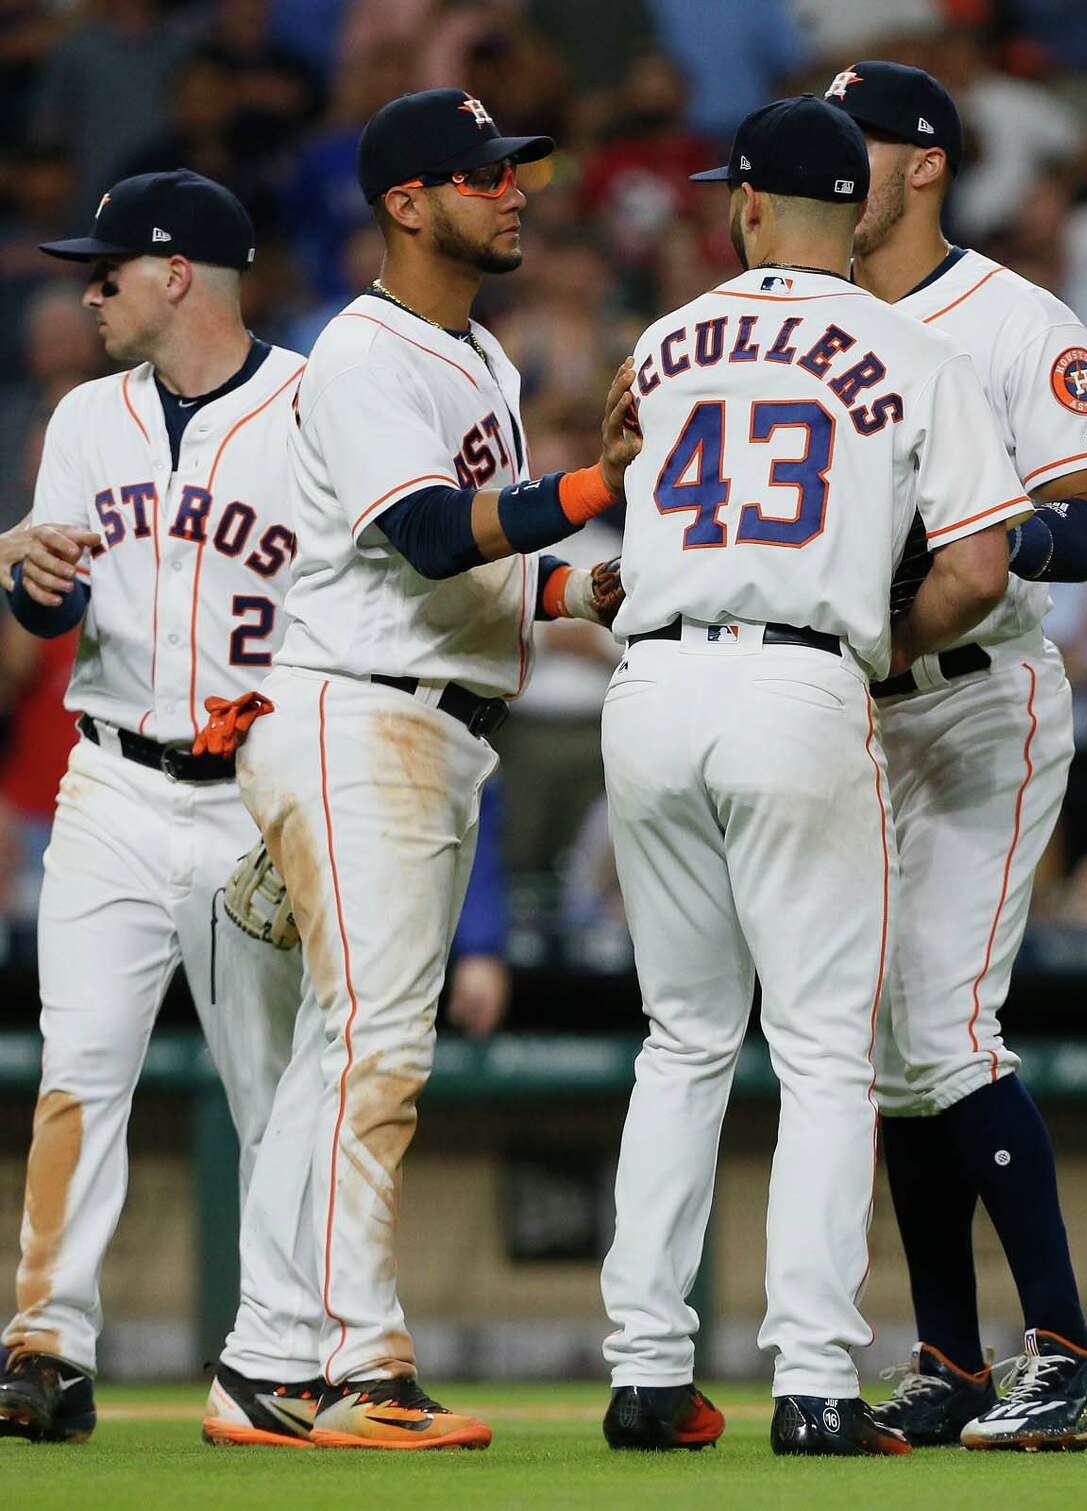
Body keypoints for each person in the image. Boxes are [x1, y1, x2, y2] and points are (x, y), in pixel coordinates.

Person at [200, 88, 635, 1452]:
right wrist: (591, 481)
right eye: (485, 173)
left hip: (430, 720)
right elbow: (436, 537)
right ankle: (354, 1366)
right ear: (406, 202)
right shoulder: (362, 354)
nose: (516, 190)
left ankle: (267, 1362)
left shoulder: (482, 359)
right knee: (376, 1049)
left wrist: (586, 585)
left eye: (518, 169)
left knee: (348, 1052)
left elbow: (490, 577)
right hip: (354, 715)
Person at [598, 95, 1024, 1457]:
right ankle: (816, 1379)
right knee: (828, 1051)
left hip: (651, 683)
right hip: (800, 680)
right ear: (860, 208)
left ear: (743, 204)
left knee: (682, 1037)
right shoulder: (910, 347)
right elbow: (977, 567)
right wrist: (877, 642)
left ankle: (649, 1369)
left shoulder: (664, 344)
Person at [828, 61, 1087, 1451]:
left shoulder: (1014, 318)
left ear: (927, 163)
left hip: (979, 698)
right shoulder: (805, 321)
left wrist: (978, 533)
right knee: (893, 1045)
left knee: (945, 1021)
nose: (837, 163)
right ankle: (949, 1352)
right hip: (852, 707)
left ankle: (1069, 1348)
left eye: (861, 143)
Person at [0, 170, 303, 1443]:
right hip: (113, 776)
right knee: (78, 1070)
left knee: (278, 1091)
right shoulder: (83, 415)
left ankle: (293, 1349)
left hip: (256, 796)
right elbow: (54, 607)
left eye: (110, 268)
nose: (90, 288)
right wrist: (25, 576)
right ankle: (44, 1347)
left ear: (178, 274)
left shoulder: (311, 408)